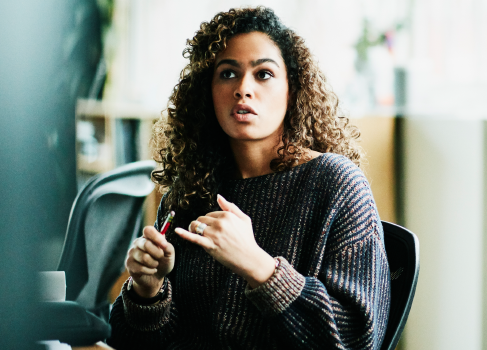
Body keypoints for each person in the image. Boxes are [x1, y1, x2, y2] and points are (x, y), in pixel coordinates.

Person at [107, 7, 390, 349]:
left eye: (264, 74)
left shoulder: (337, 184)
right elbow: (139, 344)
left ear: (292, 89)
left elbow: (358, 340)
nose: (243, 88)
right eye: (227, 74)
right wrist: (148, 292)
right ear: (206, 93)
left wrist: (258, 265)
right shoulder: (190, 191)